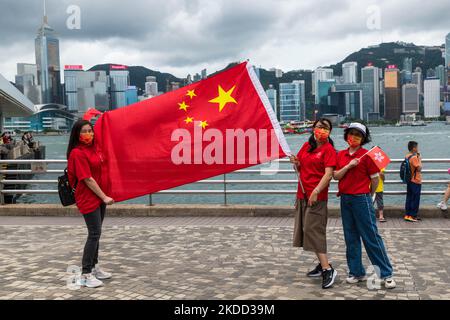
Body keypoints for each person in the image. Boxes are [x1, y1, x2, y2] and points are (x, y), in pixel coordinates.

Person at [333, 122, 396, 289]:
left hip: (361, 198)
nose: (353, 137)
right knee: (350, 237)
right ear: (346, 136)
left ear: (363, 139)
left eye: (358, 135)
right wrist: (349, 166)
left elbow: (375, 179)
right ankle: (356, 272)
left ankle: (386, 273)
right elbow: (336, 176)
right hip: (345, 199)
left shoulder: (366, 156)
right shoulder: (341, 155)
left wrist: (369, 195)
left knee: (371, 237)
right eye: (351, 134)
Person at [289, 118, 338, 289]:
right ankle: (322, 265)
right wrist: (296, 163)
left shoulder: (329, 150)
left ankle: (327, 269)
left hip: (317, 197)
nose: (321, 130)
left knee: (313, 231)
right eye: (319, 127)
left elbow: (328, 174)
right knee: (307, 231)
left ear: (330, 132)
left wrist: (316, 191)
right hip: (302, 195)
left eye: (325, 128)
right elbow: (300, 169)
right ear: (313, 128)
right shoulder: (306, 146)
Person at [67, 119, 115, 288]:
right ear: (77, 134)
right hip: (89, 198)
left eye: (90, 130)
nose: (89, 134)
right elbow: (87, 178)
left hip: (99, 196)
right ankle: (86, 273)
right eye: (84, 131)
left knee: (97, 233)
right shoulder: (77, 153)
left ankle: (94, 268)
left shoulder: (93, 148)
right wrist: (104, 197)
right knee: (94, 233)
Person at [404, 141, 422, 222]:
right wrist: (419, 158)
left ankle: (407, 215)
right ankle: (412, 215)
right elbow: (419, 168)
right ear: (414, 148)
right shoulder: (414, 157)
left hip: (409, 180)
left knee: (409, 197)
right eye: (417, 147)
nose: (418, 149)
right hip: (415, 180)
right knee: (415, 198)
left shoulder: (407, 156)